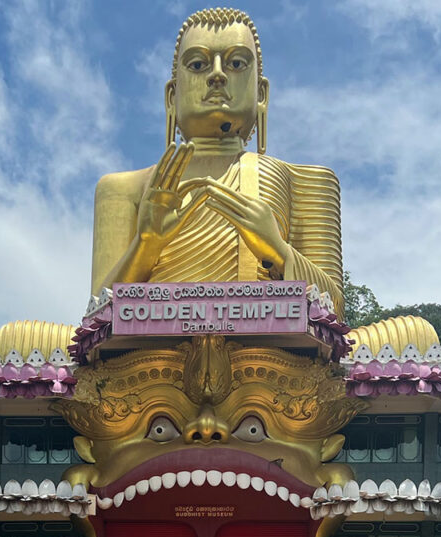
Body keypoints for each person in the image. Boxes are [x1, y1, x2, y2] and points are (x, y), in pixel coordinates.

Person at [90, 7, 345, 316]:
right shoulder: (125, 189)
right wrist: (147, 245)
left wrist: (276, 250)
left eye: (237, 63)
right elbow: (94, 319)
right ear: (172, 96)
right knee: (21, 338)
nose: (217, 75)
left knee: (410, 332)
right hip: (149, 361)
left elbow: (336, 313)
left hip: (270, 360)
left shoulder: (304, 181)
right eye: (198, 64)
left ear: (261, 93)